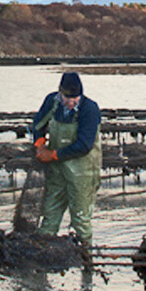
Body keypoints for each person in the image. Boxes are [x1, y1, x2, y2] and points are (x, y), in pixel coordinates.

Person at [28, 71, 102, 246]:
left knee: (80, 218)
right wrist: (40, 144)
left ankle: (87, 260)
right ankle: (43, 254)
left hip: (82, 171)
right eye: (67, 99)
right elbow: (37, 124)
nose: (71, 103)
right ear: (60, 93)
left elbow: (84, 145)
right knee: (50, 212)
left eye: (75, 99)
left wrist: (52, 154)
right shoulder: (52, 102)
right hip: (56, 169)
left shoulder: (90, 109)